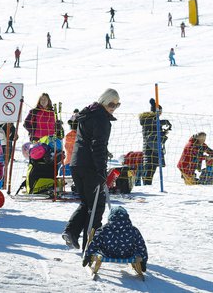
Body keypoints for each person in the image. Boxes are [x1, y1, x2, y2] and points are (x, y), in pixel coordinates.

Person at [62, 88, 120, 251]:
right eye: (111, 104)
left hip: (76, 164)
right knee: (97, 205)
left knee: (88, 202)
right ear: (103, 101)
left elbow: (89, 141)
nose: (113, 107)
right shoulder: (101, 119)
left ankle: (72, 232)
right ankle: (91, 243)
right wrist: (102, 171)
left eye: (117, 105)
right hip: (89, 167)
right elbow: (98, 146)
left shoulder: (88, 114)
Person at [82, 206, 148, 271]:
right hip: (127, 254)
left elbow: (95, 243)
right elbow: (141, 246)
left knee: (99, 242)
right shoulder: (134, 230)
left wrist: (88, 256)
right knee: (135, 246)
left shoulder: (103, 230)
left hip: (107, 253)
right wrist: (143, 261)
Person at [139, 99, 172, 185]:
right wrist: (164, 122)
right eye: (160, 111)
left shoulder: (154, 120)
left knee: (152, 168)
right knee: (149, 167)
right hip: (149, 147)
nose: (161, 113)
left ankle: (148, 184)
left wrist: (163, 133)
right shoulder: (147, 119)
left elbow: (155, 132)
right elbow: (153, 126)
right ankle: (146, 184)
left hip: (154, 147)